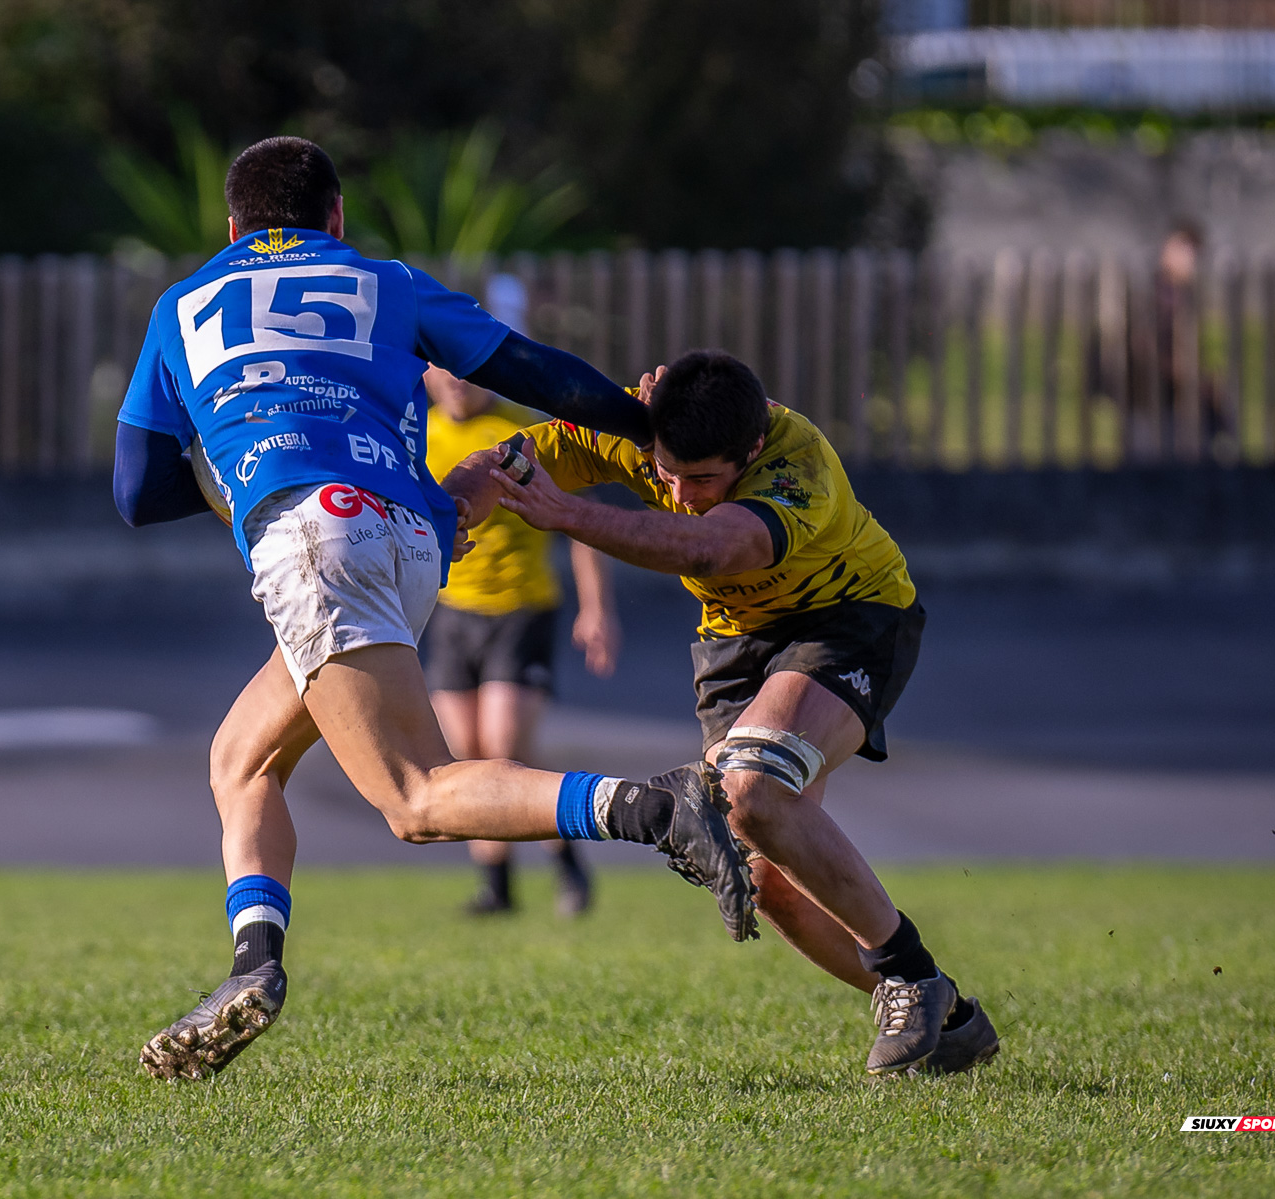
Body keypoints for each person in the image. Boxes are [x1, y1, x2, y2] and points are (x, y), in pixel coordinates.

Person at [113, 137, 754, 1082]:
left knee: (415, 798)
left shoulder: (184, 304)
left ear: (233, 226)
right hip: (417, 539)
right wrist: (640, 418)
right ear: (335, 218)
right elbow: (529, 369)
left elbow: (136, 491)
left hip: (319, 538)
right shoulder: (386, 281)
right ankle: (251, 970)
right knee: (239, 759)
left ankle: (654, 806)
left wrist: (240, 466)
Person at [444, 350, 1001, 1076]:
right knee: (763, 869)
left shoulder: (799, 464)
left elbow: (718, 545)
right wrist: (443, 515)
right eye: (666, 471)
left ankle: (912, 974)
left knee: (753, 788)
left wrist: (567, 514)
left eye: (702, 479)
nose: (676, 492)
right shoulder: (640, 427)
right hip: (735, 641)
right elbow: (501, 462)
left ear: (754, 449)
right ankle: (947, 1015)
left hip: (846, 618)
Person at [423, 365, 620, 917]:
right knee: (467, 755)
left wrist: (597, 607)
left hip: (522, 607)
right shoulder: (418, 432)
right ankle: (499, 885)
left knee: (503, 744)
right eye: (446, 374)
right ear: (430, 380)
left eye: (468, 373)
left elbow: (578, 521)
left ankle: (568, 869)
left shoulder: (522, 435)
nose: (459, 384)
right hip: (452, 613)